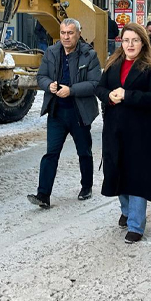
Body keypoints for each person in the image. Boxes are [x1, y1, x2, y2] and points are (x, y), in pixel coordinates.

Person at [95, 23, 151, 244]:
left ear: (143, 42)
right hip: (115, 129)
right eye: (126, 40)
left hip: (141, 132)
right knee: (116, 172)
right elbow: (100, 88)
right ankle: (126, 210)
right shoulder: (113, 62)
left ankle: (136, 225)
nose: (130, 44)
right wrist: (109, 96)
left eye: (135, 40)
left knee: (137, 176)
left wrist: (128, 95)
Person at [28, 18, 102, 208]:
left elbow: (95, 84)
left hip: (79, 112)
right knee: (51, 154)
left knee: (84, 152)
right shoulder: (51, 52)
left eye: (70, 33)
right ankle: (43, 195)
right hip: (57, 111)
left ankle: (86, 186)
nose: (66, 37)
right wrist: (48, 85)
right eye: (63, 33)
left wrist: (72, 90)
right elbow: (41, 76)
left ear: (78, 33)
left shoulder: (89, 55)